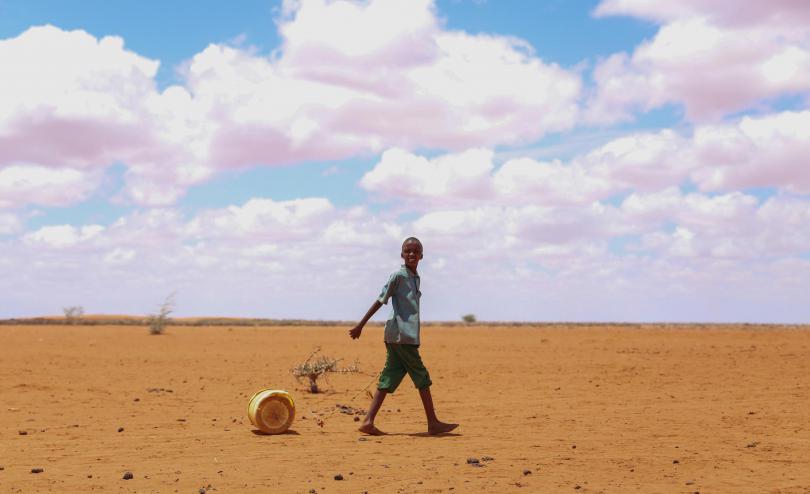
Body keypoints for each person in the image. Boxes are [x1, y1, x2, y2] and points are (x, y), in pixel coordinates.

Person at [349, 237, 458, 436]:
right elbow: (381, 300)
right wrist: (360, 325)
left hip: (404, 336)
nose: (411, 254)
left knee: (389, 378)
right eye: (408, 251)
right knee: (422, 377)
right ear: (401, 254)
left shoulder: (415, 277)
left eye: (416, 251)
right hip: (400, 335)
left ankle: (367, 421)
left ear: (422, 256)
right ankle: (433, 423)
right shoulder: (398, 275)